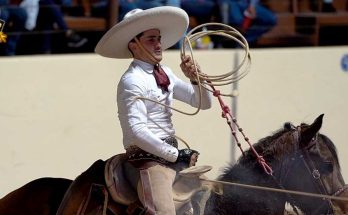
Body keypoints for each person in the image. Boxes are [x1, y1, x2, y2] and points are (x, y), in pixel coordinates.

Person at [95, 6, 212, 214]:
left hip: (170, 154)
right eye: (151, 39)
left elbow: (202, 102)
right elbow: (138, 132)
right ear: (134, 44)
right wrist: (175, 155)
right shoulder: (132, 80)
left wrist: (196, 78)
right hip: (147, 161)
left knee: (210, 199)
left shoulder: (165, 72)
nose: (159, 44)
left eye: (158, 38)